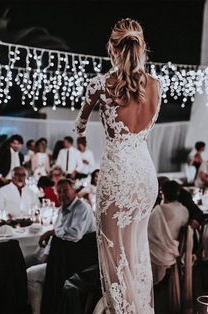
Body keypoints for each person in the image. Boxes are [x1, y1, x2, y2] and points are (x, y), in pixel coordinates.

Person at [75, 18, 161, 313]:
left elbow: (80, 124)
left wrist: (82, 128)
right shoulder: (156, 86)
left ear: (112, 48)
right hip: (144, 177)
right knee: (137, 254)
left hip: (117, 179)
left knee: (114, 257)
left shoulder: (99, 85)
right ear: (142, 47)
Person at [26, 178, 96, 314]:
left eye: (66, 191)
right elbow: (56, 237)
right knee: (28, 260)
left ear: (74, 191)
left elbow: (75, 235)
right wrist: (46, 255)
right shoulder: (62, 210)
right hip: (61, 259)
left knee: (30, 275)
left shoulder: (82, 208)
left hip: (76, 263)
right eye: (59, 192)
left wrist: (51, 232)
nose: (63, 195)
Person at [148, 180, 189, 285]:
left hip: (162, 253)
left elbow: (148, 231)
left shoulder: (159, 210)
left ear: (163, 193)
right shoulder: (184, 210)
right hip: (176, 250)